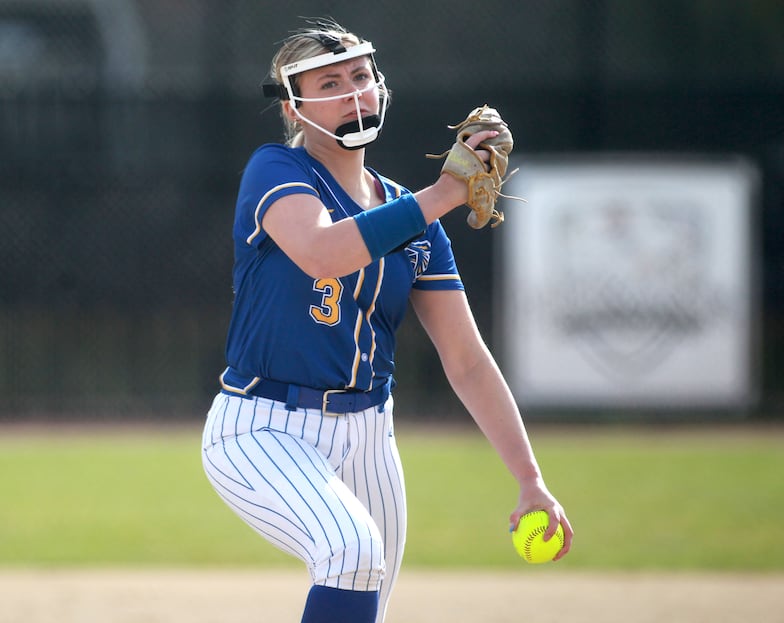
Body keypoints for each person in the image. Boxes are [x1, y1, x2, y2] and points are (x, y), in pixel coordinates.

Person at [200, 18, 573, 623]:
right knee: (351, 551)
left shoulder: (412, 214)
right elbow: (323, 251)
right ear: (294, 109)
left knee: (366, 588)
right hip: (262, 426)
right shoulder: (277, 170)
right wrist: (443, 196)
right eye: (329, 82)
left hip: (372, 434)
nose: (353, 92)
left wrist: (530, 479)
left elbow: (468, 360)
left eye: (361, 76)